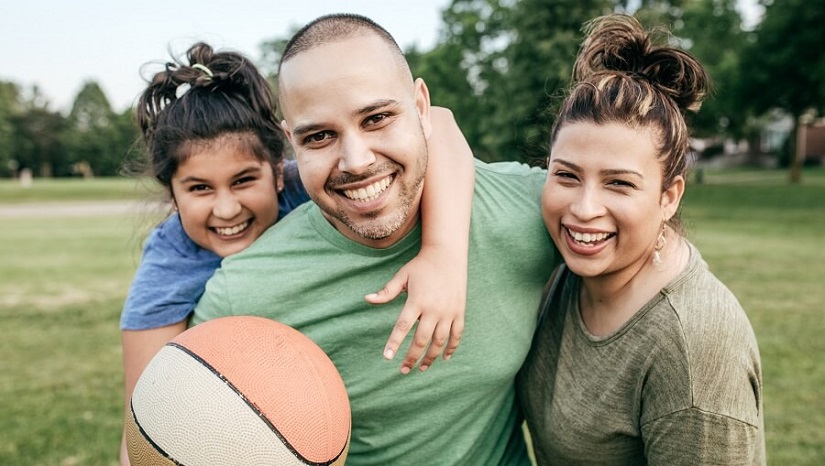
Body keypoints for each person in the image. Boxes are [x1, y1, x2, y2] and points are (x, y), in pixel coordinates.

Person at [192, 13, 560, 465]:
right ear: (291, 142)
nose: (356, 160)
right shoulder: (244, 291)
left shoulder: (529, 210)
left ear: (421, 108)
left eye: (378, 118)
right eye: (320, 136)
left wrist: (446, 254)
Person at [119, 41, 477, 464]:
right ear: (173, 195)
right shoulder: (168, 265)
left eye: (243, 181)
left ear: (277, 173)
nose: (227, 207)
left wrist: (444, 255)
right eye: (199, 188)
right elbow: (147, 421)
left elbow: (438, 121)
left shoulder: (315, 184)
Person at [517, 14, 765, 464]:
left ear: (668, 197)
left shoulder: (694, 352)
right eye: (567, 175)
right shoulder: (562, 266)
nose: (584, 208)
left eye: (619, 184)